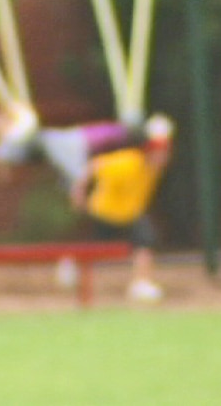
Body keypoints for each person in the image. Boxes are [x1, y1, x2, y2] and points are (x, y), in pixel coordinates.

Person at [69, 114, 174, 302]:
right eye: (158, 152)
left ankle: (141, 283)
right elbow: (95, 165)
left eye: (164, 152)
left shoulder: (154, 169)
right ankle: (72, 267)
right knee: (93, 249)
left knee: (145, 242)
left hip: (130, 214)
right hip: (104, 212)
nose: (162, 157)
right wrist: (78, 191)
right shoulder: (128, 162)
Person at [0, 101, 147, 186]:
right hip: (70, 149)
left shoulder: (12, 140)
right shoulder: (11, 141)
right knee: (90, 173)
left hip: (74, 140)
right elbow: (28, 125)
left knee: (112, 135)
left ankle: (135, 129)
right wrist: (19, 109)